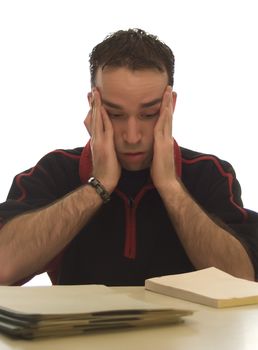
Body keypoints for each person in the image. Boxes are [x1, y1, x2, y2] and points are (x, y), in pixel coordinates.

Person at [0, 28, 258, 286]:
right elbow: (3, 268)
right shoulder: (56, 170)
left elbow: (243, 281)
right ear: (93, 104)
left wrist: (170, 187)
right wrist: (98, 185)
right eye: (115, 114)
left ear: (171, 105)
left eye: (149, 114)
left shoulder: (209, 172)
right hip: (82, 327)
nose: (132, 136)